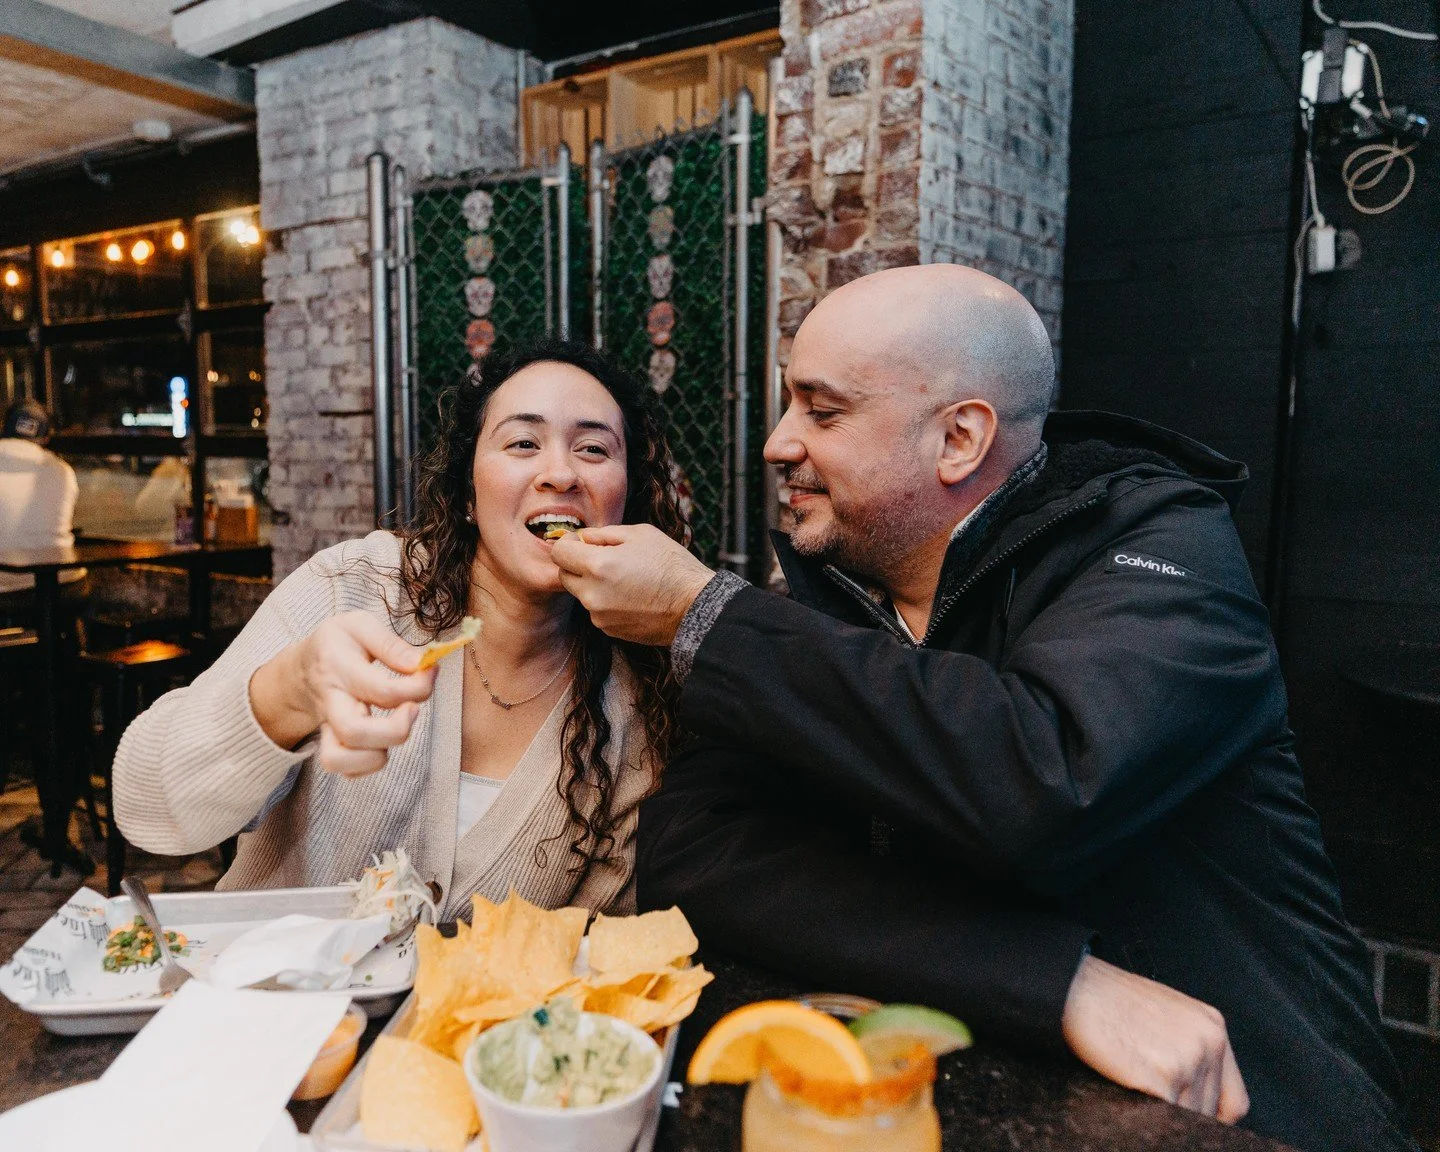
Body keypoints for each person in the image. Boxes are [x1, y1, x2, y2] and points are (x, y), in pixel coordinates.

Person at [551, 265, 1416, 1152]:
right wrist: (1052, 980)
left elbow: (1042, 778)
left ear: (960, 439)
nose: (778, 443)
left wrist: (708, 617)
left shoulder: (1162, 546)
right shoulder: (824, 602)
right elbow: (698, 856)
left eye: (823, 410)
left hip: (1251, 1114)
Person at [113, 340, 686, 919]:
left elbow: (590, 953)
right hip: (267, 1005)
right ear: (467, 492)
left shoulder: (636, 701)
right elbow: (145, 809)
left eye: (592, 449)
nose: (559, 472)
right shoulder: (356, 589)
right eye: (522, 443)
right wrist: (287, 694)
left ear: (626, 498)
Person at [0, 398, 87, 617]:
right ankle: (69, 648)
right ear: (46, 437)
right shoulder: (63, 470)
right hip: (64, 583)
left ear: (4, 427)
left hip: (6, 588)